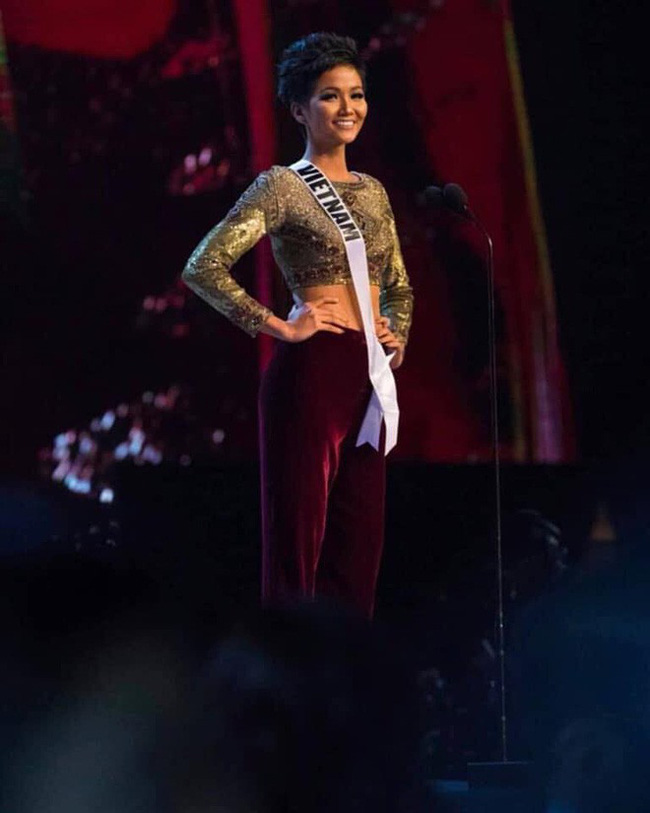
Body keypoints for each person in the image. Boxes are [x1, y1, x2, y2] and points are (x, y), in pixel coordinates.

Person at [182, 32, 413, 618]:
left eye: (356, 94)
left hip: (368, 377)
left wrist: (395, 330)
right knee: (298, 546)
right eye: (330, 96)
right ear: (298, 110)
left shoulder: (374, 192)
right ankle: (285, 668)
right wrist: (278, 327)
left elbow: (399, 286)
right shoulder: (282, 185)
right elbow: (203, 266)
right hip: (312, 372)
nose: (347, 108)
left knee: (358, 548)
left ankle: (347, 670)